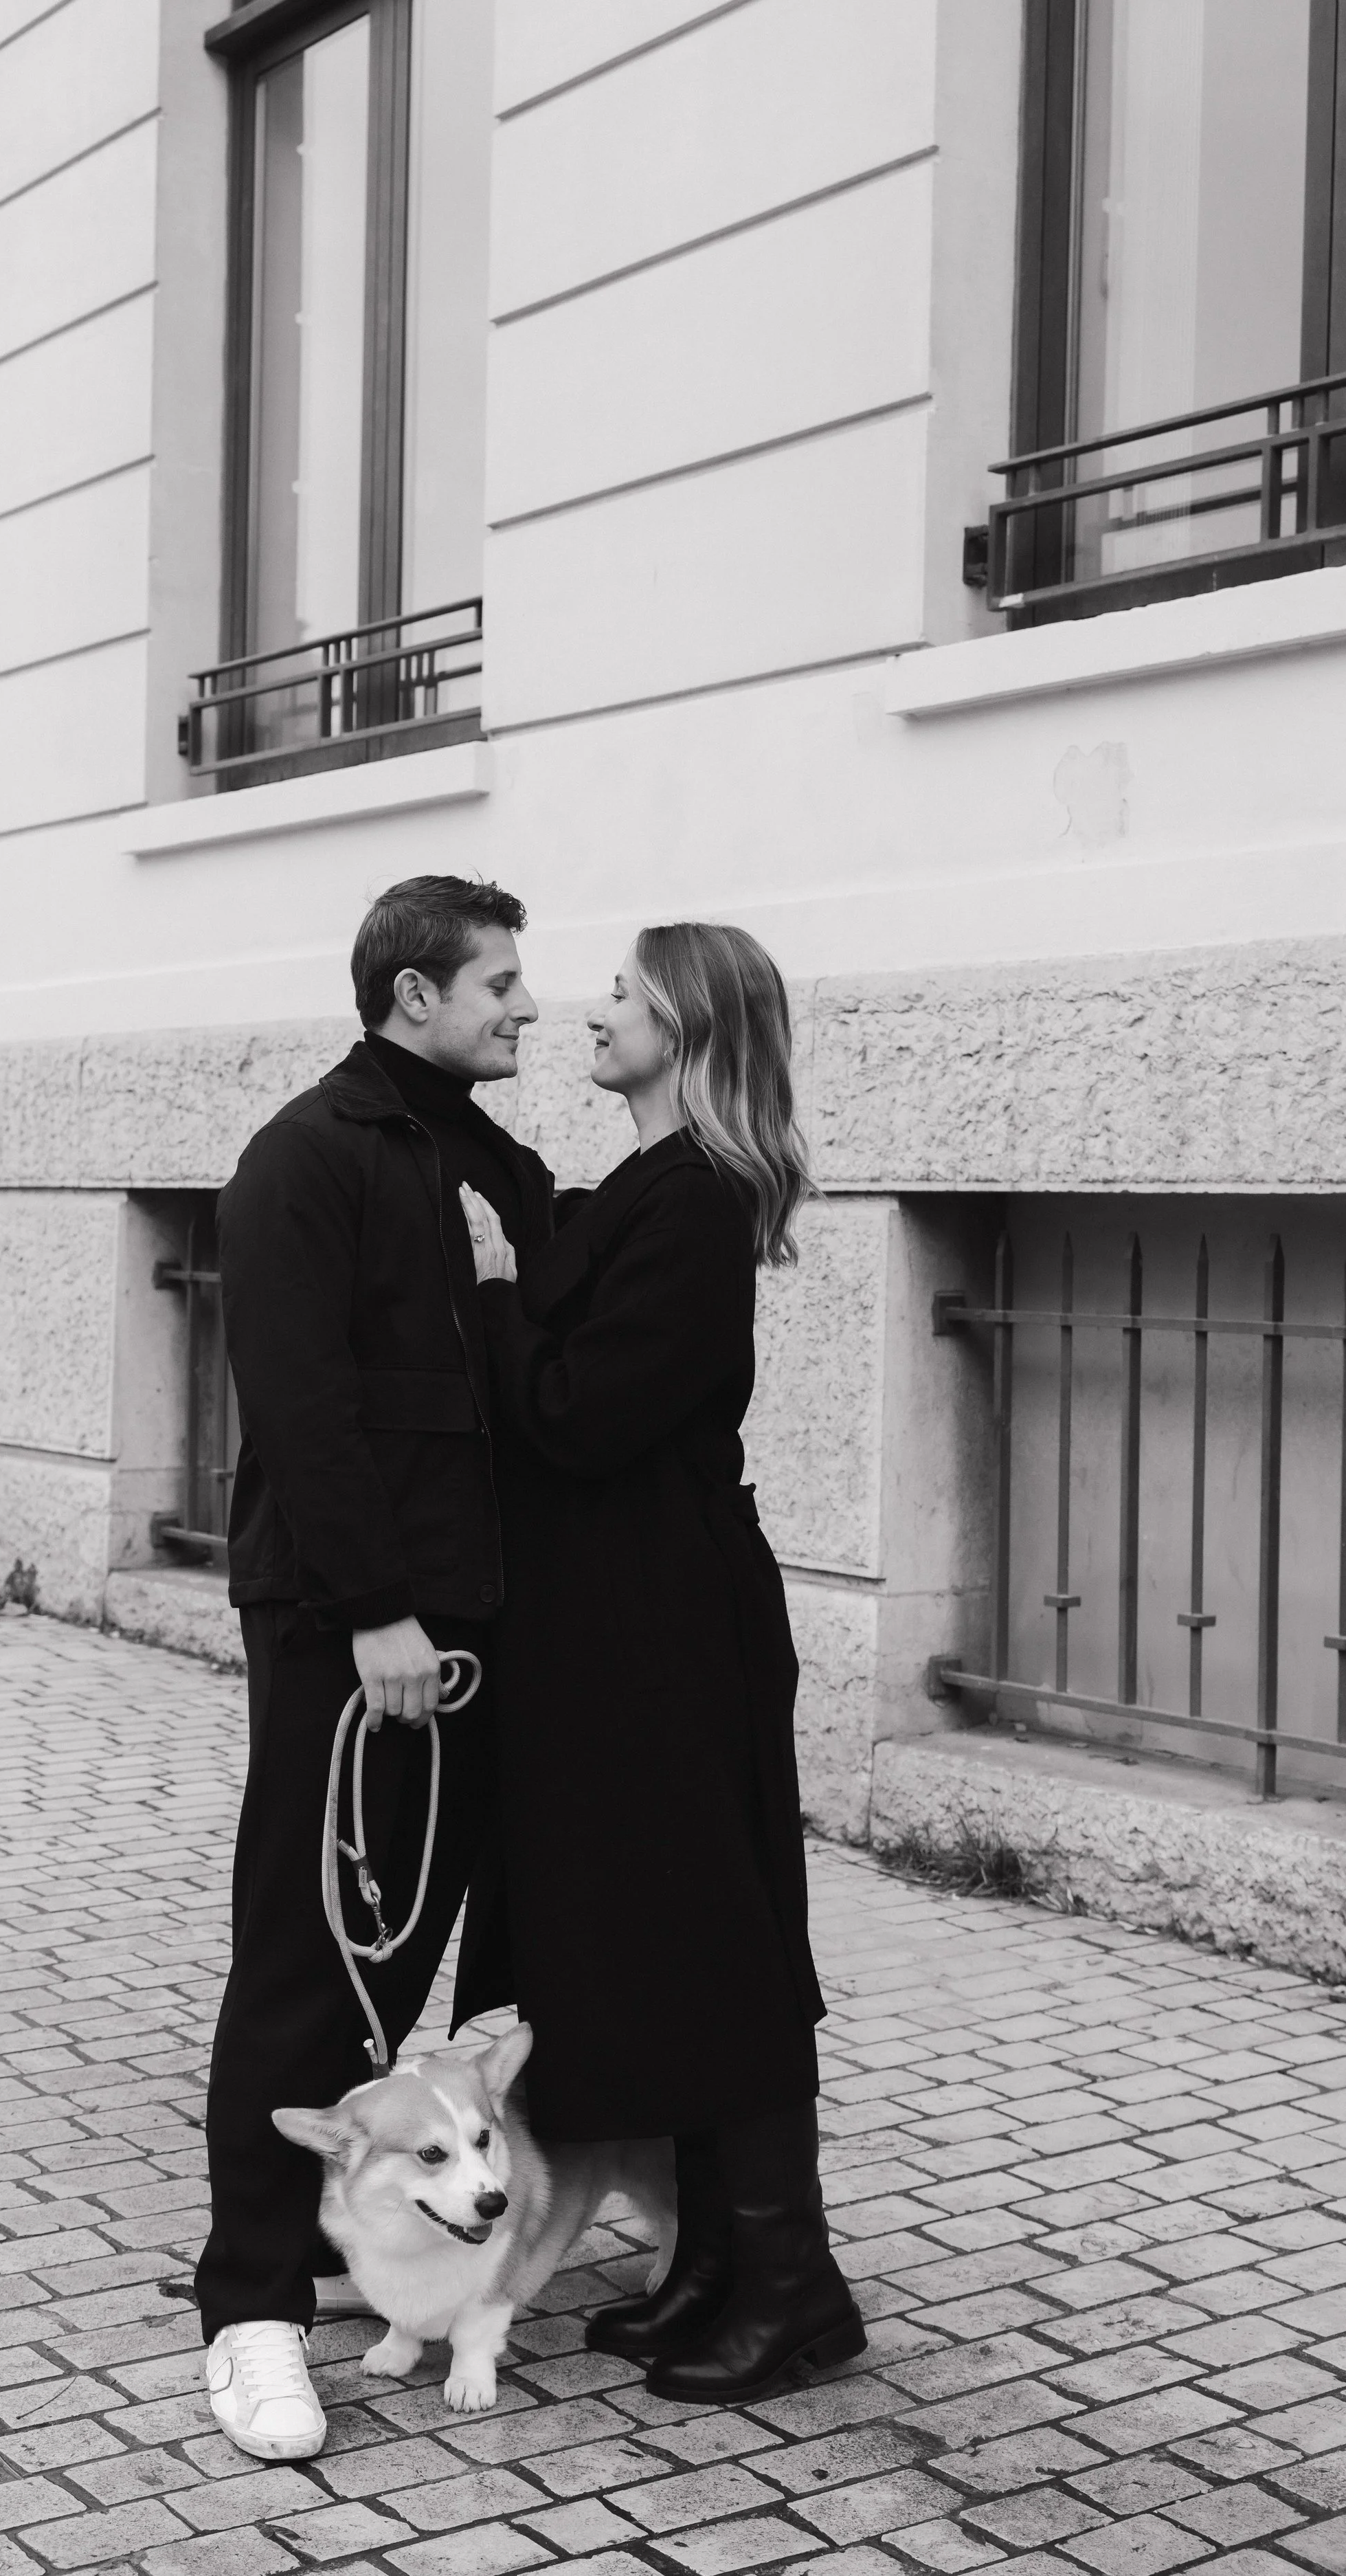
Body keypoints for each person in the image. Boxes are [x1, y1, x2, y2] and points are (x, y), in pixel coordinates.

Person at [457, 921, 865, 2403]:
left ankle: (793, 2284)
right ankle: (716, 2268)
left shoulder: (693, 1198)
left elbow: (582, 1414)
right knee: (665, 1943)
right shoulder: (647, 1183)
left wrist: (495, 1291)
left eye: (624, 993)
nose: (591, 1010)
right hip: (615, 1624)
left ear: (685, 1025)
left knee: (721, 1947)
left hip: (671, 1630)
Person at [197, 876, 552, 2461]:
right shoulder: (305, 1155)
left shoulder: (493, 1162)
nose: (524, 1005)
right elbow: (298, 1399)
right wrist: (372, 1608)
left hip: (476, 1619)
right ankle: (249, 2307)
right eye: (498, 981)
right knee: (313, 1952)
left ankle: (363, 2228)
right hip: (360, 1627)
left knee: (407, 1959)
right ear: (416, 994)